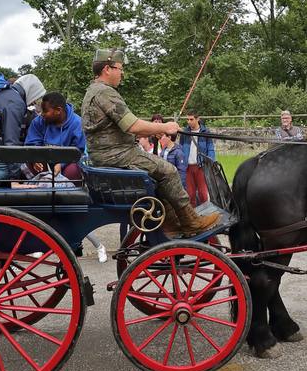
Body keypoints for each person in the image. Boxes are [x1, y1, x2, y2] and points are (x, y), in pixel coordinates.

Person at [80, 49, 219, 236]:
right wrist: (165, 127)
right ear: (107, 69)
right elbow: (133, 126)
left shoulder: (92, 91)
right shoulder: (106, 93)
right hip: (118, 156)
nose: (122, 73)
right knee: (169, 171)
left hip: (105, 156)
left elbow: (127, 126)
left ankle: (171, 224)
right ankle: (191, 222)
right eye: (120, 69)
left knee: (159, 175)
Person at [24, 91, 86, 181]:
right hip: (44, 160)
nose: (42, 114)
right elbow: (31, 144)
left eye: (45, 111)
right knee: (27, 163)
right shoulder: (38, 122)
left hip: (67, 162)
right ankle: (38, 190)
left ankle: (68, 193)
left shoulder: (77, 123)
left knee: (73, 170)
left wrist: (61, 164)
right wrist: (35, 159)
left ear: (58, 110)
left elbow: (78, 151)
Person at [178, 113, 216, 206]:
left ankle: (205, 215)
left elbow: (210, 148)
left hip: (201, 166)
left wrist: (210, 163)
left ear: (197, 119)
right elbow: (181, 147)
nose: (189, 122)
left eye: (191, 119)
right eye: (187, 119)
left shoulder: (205, 132)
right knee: (190, 195)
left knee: (203, 194)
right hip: (188, 167)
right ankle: (193, 217)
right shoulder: (185, 133)